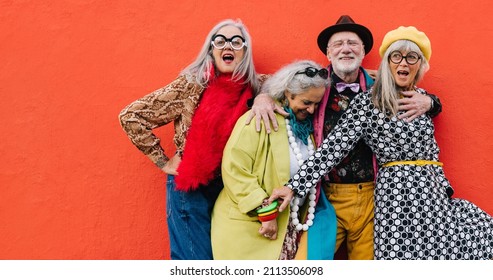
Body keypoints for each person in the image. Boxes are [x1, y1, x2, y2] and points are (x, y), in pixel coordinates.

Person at [269, 26, 493, 260]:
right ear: (387, 62)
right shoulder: (369, 102)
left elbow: (431, 149)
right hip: (396, 194)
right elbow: (331, 150)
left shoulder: (422, 98)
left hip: (431, 193)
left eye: (411, 57)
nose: (403, 63)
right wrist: (294, 186)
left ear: (420, 65)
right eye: (396, 56)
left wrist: (443, 187)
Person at [248, 15, 443, 260]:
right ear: (328, 53)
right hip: (328, 197)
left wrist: (433, 102)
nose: (346, 49)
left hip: (377, 197)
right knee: (309, 262)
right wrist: (262, 96)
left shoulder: (384, 86)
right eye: (338, 44)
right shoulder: (315, 84)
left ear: (363, 52)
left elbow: (425, 133)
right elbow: (279, 86)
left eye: (353, 43)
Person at [119, 19, 267, 260]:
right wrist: (163, 161)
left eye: (236, 41)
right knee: (194, 261)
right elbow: (131, 116)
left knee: (228, 259)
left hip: (232, 188)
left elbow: (290, 86)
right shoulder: (191, 85)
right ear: (211, 50)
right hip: (191, 188)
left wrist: (265, 98)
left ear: (244, 51)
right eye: (219, 41)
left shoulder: (256, 87)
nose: (227, 45)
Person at [211, 60, 336, 260]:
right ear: (288, 93)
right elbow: (235, 169)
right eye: (306, 102)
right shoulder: (259, 119)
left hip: (289, 230)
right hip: (251, 228)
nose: (312, 110)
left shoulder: (306, 130)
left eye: (316, 104)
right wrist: (266, 213)